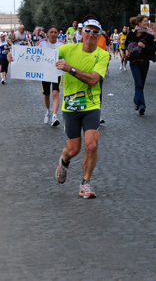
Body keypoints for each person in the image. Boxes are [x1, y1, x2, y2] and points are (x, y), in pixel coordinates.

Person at [54, 16, 110, 198]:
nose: (91, 34)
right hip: (70, 106)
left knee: (92, 145)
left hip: (91, 105)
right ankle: (64, 160)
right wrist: (15, 55)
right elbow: (42, 56)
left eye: (95, 32)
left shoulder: (103, 55)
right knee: (74, 150)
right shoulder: (68, 49)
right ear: (81, 33)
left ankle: (85, 183)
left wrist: (70, 69)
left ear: (99, 35)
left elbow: (94, 79)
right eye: (87, 30)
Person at [125, 14, 156, 116]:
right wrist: (126, 50)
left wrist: (145, 46)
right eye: (144, 21)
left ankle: (136, 99)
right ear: (139, 23)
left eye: (147, 21)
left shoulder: (150, 35)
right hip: (134, 62)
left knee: (141, 84)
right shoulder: (132, 33)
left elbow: (154, 49)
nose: (146, 23)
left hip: (145, 62)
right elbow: (126, 45)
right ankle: (141, 105)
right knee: (138, 83)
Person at [38, 26, 66, 126]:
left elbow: (67, 56)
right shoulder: (41, 43)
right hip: (45, 72)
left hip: (57, 72)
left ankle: (54, 116)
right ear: (47, 34)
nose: (53, 34)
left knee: (55, 92)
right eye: (51, 32)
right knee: (46, 94)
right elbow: (34, 55)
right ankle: (48, 110)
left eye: (55, 32)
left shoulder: (62, 44)